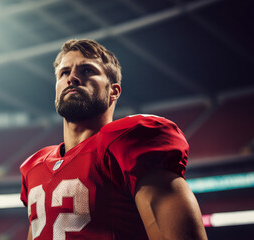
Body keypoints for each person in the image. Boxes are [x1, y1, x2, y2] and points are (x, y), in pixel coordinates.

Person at [19, 39, 207, 240]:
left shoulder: (127, 142)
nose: (72, 78)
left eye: (87, 70)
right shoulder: (34, 167)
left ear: (113, 91)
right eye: (64, 72)